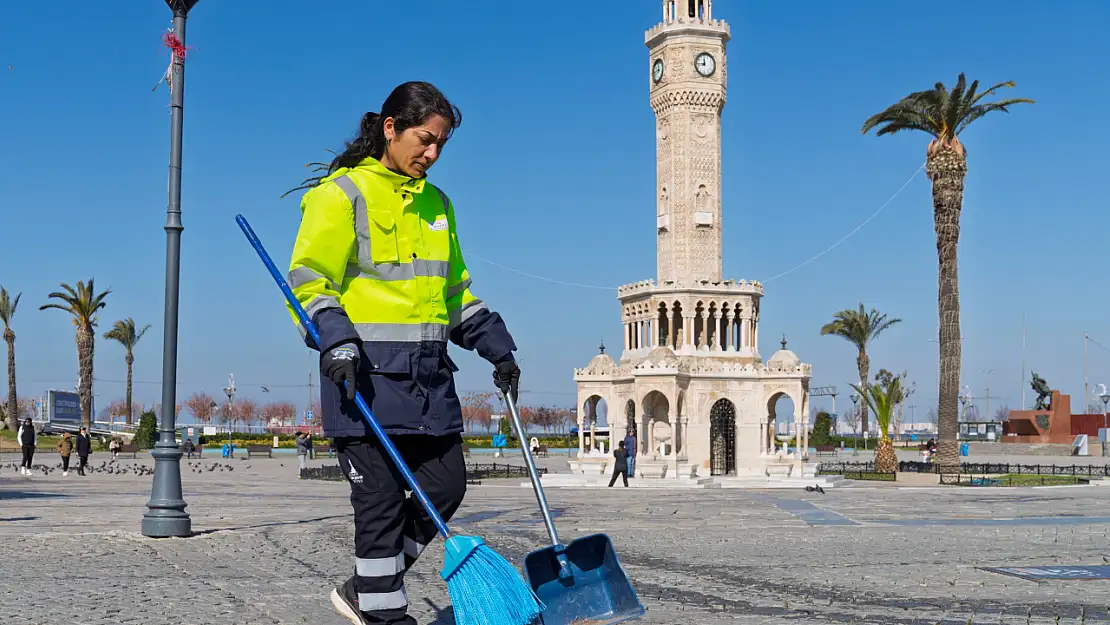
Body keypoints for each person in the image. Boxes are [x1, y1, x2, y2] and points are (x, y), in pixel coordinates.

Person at [286, 81, 521, 625]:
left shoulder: (439, 205)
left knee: (446, 484)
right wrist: (337, 340)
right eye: (424, 139)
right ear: (390, 128)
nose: (432, 154)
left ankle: (366, 588)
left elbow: (453, 292)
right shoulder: (340, 195)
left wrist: (498, 347)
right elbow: (308, 281)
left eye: (441, 144)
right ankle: (385, 614)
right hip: (362, 381)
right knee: (380, 508)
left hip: (428, 382)